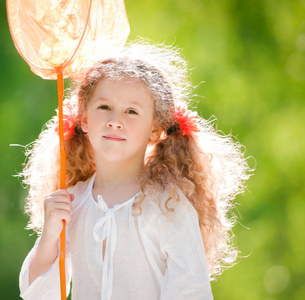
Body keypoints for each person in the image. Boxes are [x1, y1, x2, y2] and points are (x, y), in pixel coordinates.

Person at [18, 42, 251, 300]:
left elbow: (190, 291)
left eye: (131, 111)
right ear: (84, 119)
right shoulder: (72, 202)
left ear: (154, 129)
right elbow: (37, 294)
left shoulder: (170, 206)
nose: (115, 121)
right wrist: (50, 235)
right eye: (104, 107)